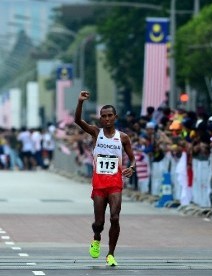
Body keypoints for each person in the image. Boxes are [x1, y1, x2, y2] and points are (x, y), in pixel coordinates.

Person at [74, 91, 136, 267]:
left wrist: (131, 167)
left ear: (115, 117)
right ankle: (96, 238)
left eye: (110, 116)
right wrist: (80, 102)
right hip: (99, 185)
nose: (107, 119)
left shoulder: (123, 137)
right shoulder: (96, 132)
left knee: (115, 218)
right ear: (100, 119)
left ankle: (110, 254)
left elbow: (132, 158)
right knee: (99, 223)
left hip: (115, 183)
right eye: (103, 116)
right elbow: (78, 121)